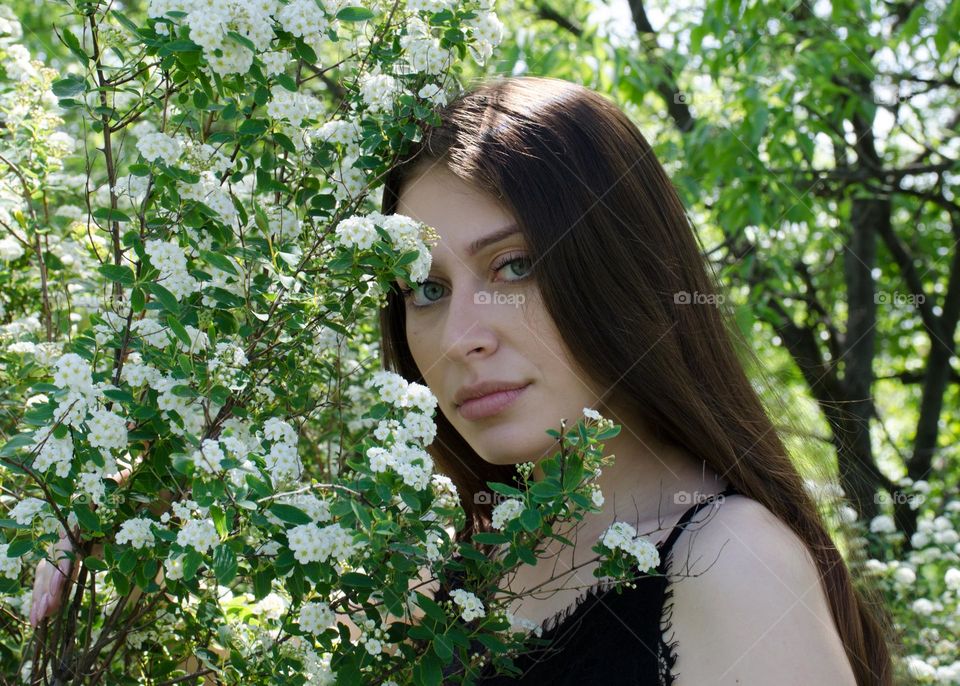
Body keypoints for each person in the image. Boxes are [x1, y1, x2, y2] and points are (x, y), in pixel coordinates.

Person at [377, 75, 896, 684]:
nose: (462, 337)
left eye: (516, 265)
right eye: (428, 290)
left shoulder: (734, 567)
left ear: (626, 269)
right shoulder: (421, 578)